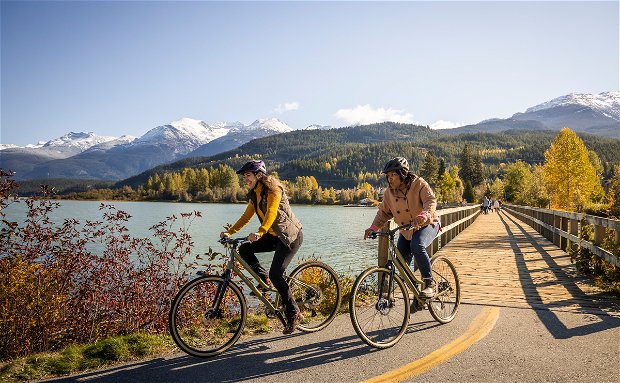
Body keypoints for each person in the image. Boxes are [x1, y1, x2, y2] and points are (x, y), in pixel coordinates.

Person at [220, 160, 304, 334]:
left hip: (289, 236)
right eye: (244, 177)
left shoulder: (274, 189)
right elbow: (246, 217)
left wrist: (261, 231)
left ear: (259, 175)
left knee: (277, 273)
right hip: (273, 236)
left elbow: (272, 212)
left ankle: (294, 313)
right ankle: (264, 279)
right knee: (244, 249)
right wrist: (229, 232)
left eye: (248, 176)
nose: (245, 180)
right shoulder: (255, 194)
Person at [364, 157, 440, 298]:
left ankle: (429, 284)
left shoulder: (419, 184)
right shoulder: (389, 193)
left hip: (427, 224)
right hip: (406, 231)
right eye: (388, 176)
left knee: (417, 245)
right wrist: (373, 227)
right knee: (400, 264)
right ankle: (418, 297)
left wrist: (424, 214)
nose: (390, 179)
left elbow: (430, 201)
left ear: (403, 173)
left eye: (393, 175)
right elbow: (383, 213)